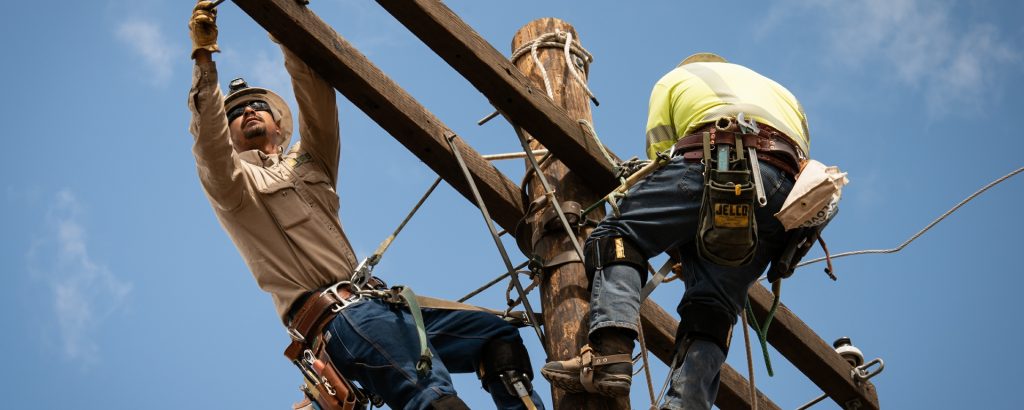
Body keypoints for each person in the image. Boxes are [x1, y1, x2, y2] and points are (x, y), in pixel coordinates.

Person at [186, 2, 545, 409]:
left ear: (279, 126)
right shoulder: (234, 188)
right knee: (434, 397)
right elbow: (209, 144)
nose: (248, 109)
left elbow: (316, 96)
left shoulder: (308, 162)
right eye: (235, 112)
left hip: (381, 307)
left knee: (495, 337)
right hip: (343, 320)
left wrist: (286, 25)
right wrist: (203, 57)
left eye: (258, 106)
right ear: (230, 134)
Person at [540, 52, 811, 410]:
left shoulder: (676, 79)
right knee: (715, 306)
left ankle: (610, 356)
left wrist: (678, 231)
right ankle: (687, 404)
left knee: (617, 235)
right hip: (786, 197)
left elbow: (663, 156)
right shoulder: (783, 94)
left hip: (714, 159)